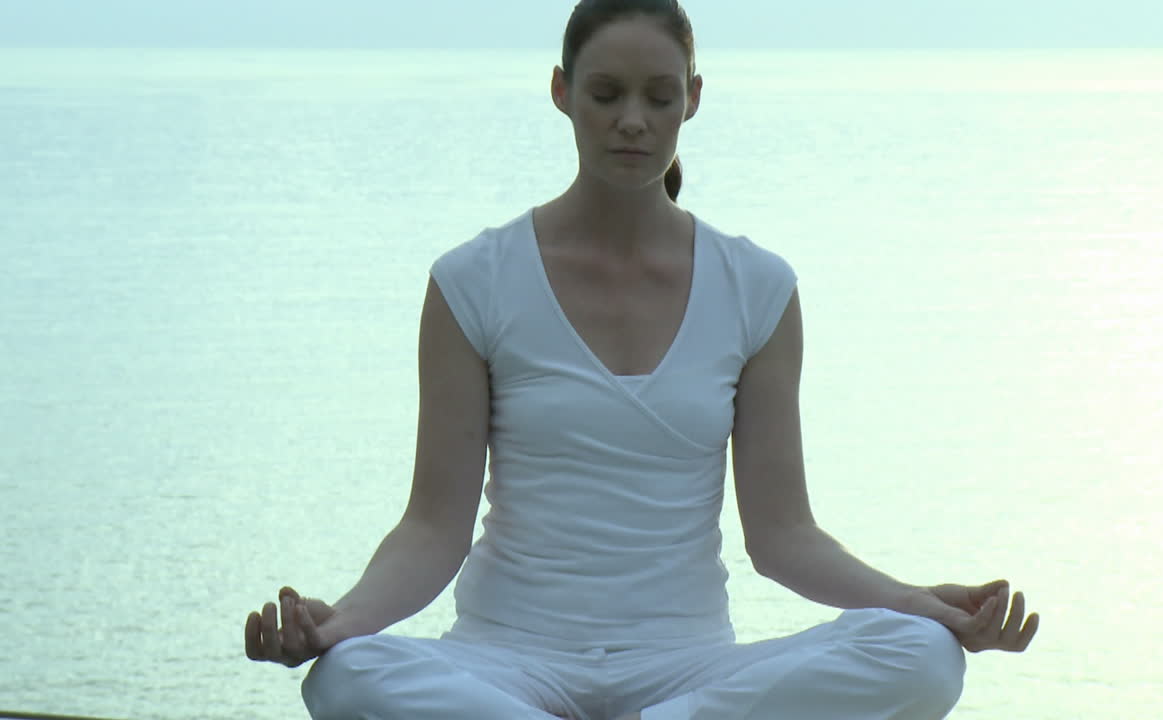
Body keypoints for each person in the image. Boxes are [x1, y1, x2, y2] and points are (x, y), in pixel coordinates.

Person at [243, 1, 1040, 718]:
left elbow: (784, 535)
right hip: (506, 664)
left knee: (923, 656)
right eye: (606, 95)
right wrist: (338, 623)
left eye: (659, 97)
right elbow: (431, 528)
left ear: (693, 98)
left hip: (687, 671)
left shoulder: (756, 287)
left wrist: (915, 603)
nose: (633, 119)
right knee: (345, 676)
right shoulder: (471, 281)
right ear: (562, 93)